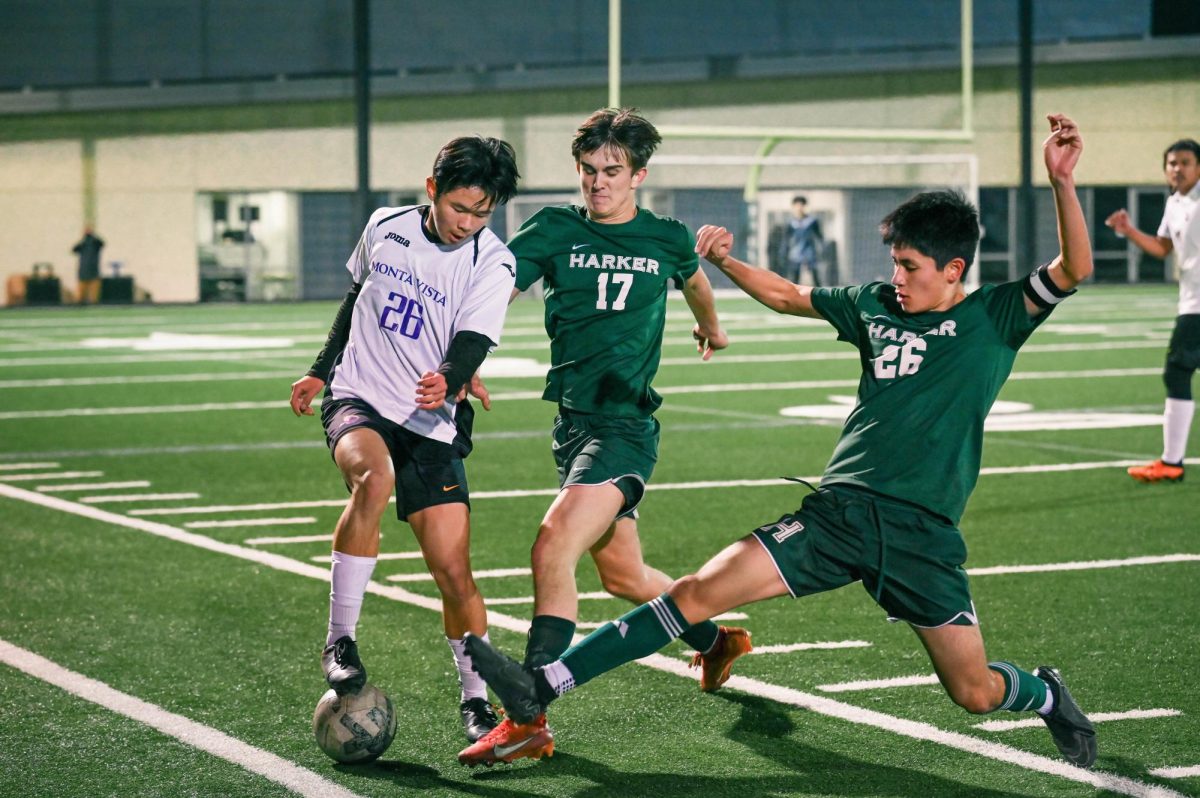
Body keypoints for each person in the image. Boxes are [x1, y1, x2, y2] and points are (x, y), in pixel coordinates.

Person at [464, 114, 1099, 771]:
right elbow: (791, 295)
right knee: (692, 594)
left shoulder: (994, 316)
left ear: (954, 269)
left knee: (974, 692)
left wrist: (1061, 181)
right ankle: (543, 686)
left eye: (910, 267)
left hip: (922, 537)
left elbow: (1072, 268)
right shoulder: (875, 303)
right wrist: (726, 260)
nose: (898, 277)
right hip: (837, 515)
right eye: (895, 264)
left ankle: (1046, 694)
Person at [456, 107, 745, 767]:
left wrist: (712, 327)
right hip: (573, 424)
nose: (597, 183)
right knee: (623, 574)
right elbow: (495, 290)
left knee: (553, 543)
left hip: (624, 427)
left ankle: (526, 715)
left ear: (639, 174)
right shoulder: (554, 230)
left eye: (611, 171)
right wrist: (467, 358)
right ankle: (714, 641)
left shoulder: (666, 237)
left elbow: (695, 281)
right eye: (588, 172)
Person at [288, 136, 520, 744]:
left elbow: (474, 340)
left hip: (430, 420)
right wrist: (320, 367)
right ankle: (340, 639)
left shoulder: (492, 261)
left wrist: (450, 375)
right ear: (431, 190)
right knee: (373, 477)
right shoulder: (385, 225)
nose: (467, 224)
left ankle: (475, 700)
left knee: (454, 573)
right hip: (358, 394)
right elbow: (355, 298)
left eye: (481, 214)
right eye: (458, 208)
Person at [1106, 138, 1200, 484]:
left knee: (1177, 370)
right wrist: (1128, 230)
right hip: (1191, 300)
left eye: (1185, 162)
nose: (1177, 168)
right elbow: (1163, 247)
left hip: (1197, 307)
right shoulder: (1175, 203)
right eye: (1172, 163)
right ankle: (1171, 461)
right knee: (1178, 370)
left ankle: (1172, 462)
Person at [775, 195, 825, 286]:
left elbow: (819, 237)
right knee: (794, 277)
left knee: (815, 276)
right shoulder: (791, 223)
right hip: (796, 252)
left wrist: (822, 250)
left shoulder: (812, 221)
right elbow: (786, 239)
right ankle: (794, 298)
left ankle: (821, 296)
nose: (799, 208)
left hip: (809, 252)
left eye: (801, 205)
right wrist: (783, 252)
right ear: (793, 207)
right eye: (797, 205)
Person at [72, 226, 104, 304]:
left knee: (94, 294)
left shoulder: (95, 243)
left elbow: (102, 243)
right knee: (80, 293)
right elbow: (74, 249)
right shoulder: (83, 244)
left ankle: (94, 303)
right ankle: (79, 304)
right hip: (83, 270)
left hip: (94, 270)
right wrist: (83, 239)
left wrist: (93, 235)